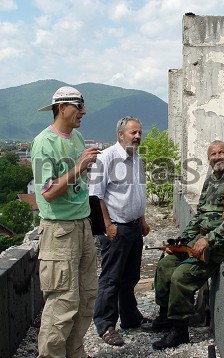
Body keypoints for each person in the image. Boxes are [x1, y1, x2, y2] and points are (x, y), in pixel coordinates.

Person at [141, 140, 224, 350]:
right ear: (209, 159)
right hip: (201, 240)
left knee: (181, 276)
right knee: (165, 266)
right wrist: (181, 240)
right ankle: (165, 317)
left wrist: (208, 239)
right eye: (213, 154)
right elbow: (200, 214)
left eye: (221, 152)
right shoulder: (211, 180)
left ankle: (179, 330)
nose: (217, 156)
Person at [31, 86, 101, 357]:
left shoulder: (77, 137)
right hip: (59, 230)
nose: (83, 112)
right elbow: (47, 191)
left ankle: (75, 353)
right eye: (79, 106)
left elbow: (75, 179)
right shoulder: (43, 143)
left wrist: (84, 168)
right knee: (62, 302)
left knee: (85, 297)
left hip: (81, 225)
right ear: (62, 108)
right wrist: (79, 167)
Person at [88, 116, 151, 346]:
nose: (137, 137)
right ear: (120, 135)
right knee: (111, 279)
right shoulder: (106, 159)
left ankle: (131, 318)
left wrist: (142, 219)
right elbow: (96, 195)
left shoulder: (137, 159)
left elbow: (138, 192)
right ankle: (105, 325)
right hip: (116, 228)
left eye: (139, 133)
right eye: (133, 133)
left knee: (130, 277)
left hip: (134, 227)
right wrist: (107, 225)